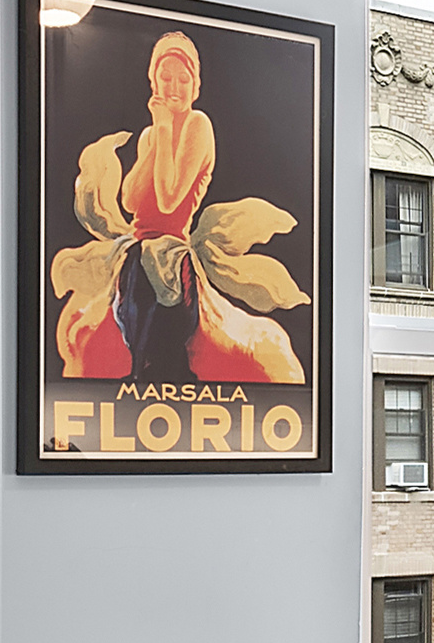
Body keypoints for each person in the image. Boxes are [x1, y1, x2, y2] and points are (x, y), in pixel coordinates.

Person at [50, 28, 309, 386]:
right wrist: (156, 137)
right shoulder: (150, 135)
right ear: (153, 82)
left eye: (183, 80)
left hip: (171, 249)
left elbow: (169, 198)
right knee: (122, 288)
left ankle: (159, 369)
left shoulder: (198, 126)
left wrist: (164, 128)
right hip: (136, 243)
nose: (173, 87)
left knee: (155, 290)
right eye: (165, 78)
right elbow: (131, 200)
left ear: (195, 86)